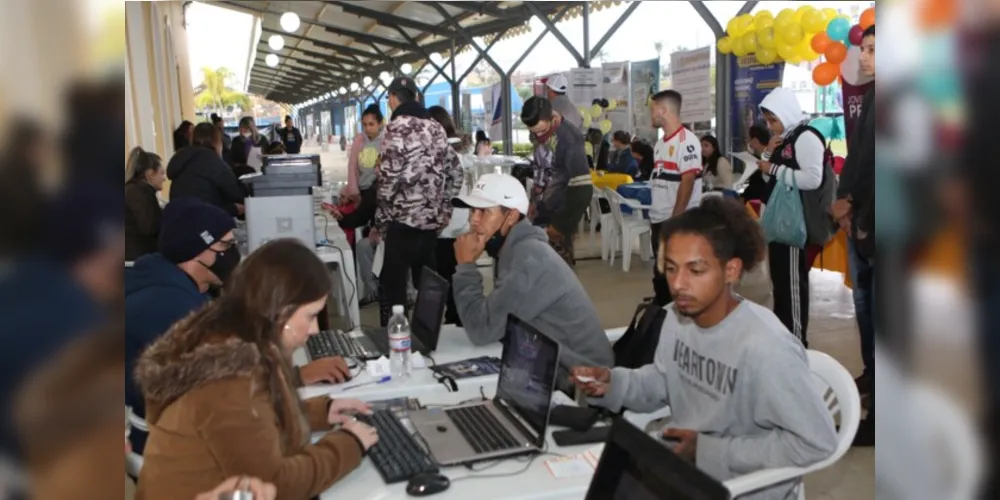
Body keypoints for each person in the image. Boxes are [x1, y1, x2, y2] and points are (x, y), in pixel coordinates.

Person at [570, 197, 837, 500]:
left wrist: (710, 451)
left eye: (695, 271)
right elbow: (662, 381)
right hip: (679, 472)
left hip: (736, 488)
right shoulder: (676, 316)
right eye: (671, 269)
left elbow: (817, 442)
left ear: (732, 270)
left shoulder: (766, 347)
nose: (678, 284)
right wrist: (613, 383)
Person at [134, 240, 378, 500]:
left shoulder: (233, 339)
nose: (315, 329)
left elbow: (253, 424)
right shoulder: (231, 376)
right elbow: (275, 485)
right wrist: (349, 444)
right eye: (310, 315)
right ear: (280, 310)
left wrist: (321, 411)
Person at [125, 199, 353, 454]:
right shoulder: (173, 307)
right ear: (196, 250)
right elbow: (229, 401)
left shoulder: (168, 281)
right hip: (171, 445)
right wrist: (297, 378)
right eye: (225, 245)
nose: (232, 254)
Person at [451, 173, 614, 383]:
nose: (473, 220)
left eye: (483, 211)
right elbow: (493, 320)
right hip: (545, 363)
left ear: (510, 216)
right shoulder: (515, 249)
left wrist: (465, 266)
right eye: (472, 210)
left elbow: (481, 329)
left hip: (579, 385)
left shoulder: (529, 260)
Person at [374, 76, 463, 325]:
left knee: (395, 292)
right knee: (428, 290)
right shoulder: (435, 127)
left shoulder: (396, 127)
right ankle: (426, 344)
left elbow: (388, 179)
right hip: (430, 228)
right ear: (416, 97)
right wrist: (444, 209)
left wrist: (381, 220)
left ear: (392, 99)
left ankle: (397, 348)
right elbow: (456, 172)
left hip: (401, 225)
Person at [757, 87, 826, 347]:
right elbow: (767, 178)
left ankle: (797, 344)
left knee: (792, 287)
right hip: (778, 223)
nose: (771, 126)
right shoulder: (784, 138)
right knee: (781, 285)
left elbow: (812, 178)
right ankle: (784, 339)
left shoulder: (806, 137)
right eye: (767, 121)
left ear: (786, 112)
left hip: (795, 225)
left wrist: (773, 167)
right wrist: (767, 154)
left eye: (773, 119)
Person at [830, 24, 876, 396]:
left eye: (873, 50)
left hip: (876, 221)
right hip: (859, 218)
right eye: (864, 49)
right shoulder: (873, 95)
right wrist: (845, 204)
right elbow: (857, 156)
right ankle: (872, 374)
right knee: (863, 303)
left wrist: (859, 211)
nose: (863, 55)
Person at [521, 96, 594, 266]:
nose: (538, 136)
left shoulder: (570, 139)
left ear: (552, 117)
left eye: (541, 131)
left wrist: (561, 226)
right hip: (542, 211)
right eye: (533, 132)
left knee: (558, 272)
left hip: (559, 215)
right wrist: (533, 202)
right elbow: (540, 169)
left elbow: (584, 188)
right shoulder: (539, 130)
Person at [648, 90, 703, 306]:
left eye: (653, 109)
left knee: (675, 271)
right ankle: (662, 310)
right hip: (658, 217)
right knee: (660, 270)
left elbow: (687, 180)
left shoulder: (687, 141)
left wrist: (676, 219)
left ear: (663, 110)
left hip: (676, 219)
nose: (651, 114)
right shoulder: (660, 144)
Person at [429, 105, 472, 326]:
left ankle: (455, 320)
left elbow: (445, 191)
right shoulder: (454, 151)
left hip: (449, 226)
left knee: (449, 276)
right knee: (452, 276)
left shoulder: (448, 154)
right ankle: (455, 318)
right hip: (455, 224)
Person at [167, 122, 246, 217]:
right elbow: (235, 194)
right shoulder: (215, 163)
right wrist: (233, 209)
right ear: (217, 142)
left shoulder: (182, 160)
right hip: (205, 222)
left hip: (178, 222)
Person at [330, 104, 384, 232]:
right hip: (360, 191)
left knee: (361, 218)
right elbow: (352, 166)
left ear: (380, 123)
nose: (367, 128)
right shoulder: (359, 141)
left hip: (377, 192)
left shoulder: (387, 141)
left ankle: (343, 220)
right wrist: (353, 191)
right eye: (364, 125)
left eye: (371, 124)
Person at [125, 147, 165, 261]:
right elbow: (149, 227)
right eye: (161, 173)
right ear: (150, 174)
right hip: (138, 258)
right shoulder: (141, 193)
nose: (164, 178)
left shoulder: (133, 190)